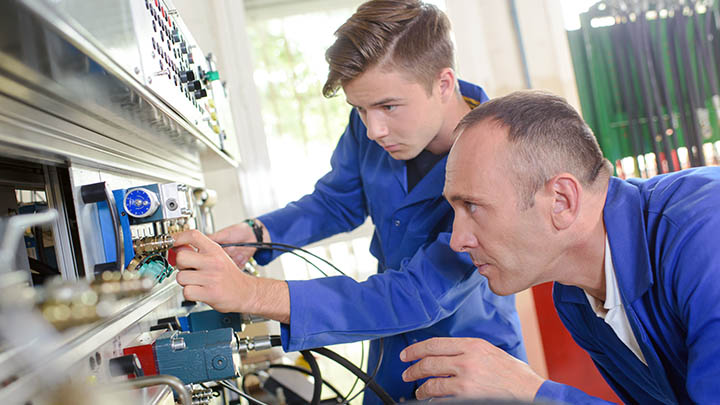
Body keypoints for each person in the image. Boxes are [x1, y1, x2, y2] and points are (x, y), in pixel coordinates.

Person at [171, 1, 526, 403]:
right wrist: (259, 232)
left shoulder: (499, 162)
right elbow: (336, 202)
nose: (373, 129)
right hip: (388, 355)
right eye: (359, 108)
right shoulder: (376, 125)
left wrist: (251, 293)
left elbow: (418, 294)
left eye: (388, 107)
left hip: (468, 367)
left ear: (444, 84)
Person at [399, 90, 720, 403]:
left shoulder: (706, 234)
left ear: (561, 201)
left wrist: (530, 393)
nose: (457, 241)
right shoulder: (575, 299)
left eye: (472, 206)